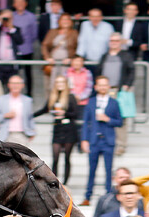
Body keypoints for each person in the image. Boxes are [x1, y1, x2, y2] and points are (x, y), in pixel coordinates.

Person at [80, 75, 122, 206]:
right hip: (94, 141)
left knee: (109, 169)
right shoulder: (91, 102)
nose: (103, 87)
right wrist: (84, 140)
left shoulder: (114, 103)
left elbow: (120, 122)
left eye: (105, 85)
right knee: (92, 169)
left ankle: (109, 195)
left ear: (109, 87)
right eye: (100, 85)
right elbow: (86, 122)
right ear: (96, 87)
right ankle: (88, 196)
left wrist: (107, 119)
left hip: (108, 141)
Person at [33, 75, 78, 185]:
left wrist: (64, 113)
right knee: (55, 157)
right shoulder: (53, 97)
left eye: (62, 82)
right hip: (57, 129)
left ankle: (65, 183)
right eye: (58, 82)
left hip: (69, 129)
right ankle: (54, 181)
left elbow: (75, 114)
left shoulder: (70, 97)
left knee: (67, 158)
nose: (60, 84)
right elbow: (44, 109)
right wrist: (30, 115)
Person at [97, 32, 134, 157]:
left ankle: (121, 145)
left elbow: (131, 71)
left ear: (120, 42)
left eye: (117, 41)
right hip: (105, 91)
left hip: (118, 91)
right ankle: (106, 143)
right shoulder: (104, 56)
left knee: (120, 119)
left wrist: (126, 85)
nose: (114, 42)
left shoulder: (125, 55)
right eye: (112, 40)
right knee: (104, 118)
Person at [0, 75, 35, 146]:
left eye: (18, 83)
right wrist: (5, 115)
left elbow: (30, 118)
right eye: (13, 83)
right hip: (6, 135)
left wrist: (32, 131)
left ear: (22, 85)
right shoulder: (1, 99)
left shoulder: (27, 100)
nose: (15, 86)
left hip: (22, 135)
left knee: (22, 156)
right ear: (8, 85)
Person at [41, 12, 77, 92]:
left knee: (65, 84)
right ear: (59, 21)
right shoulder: (52, 31)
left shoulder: (74, 33)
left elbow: (77, 48)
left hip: (66, 64)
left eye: (67, 19)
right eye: (63, 19)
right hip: (53, 63)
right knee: (52, 85)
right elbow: (44, 45)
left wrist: (71, 59)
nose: (65, 21)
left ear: (71, 22)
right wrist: (47, 57)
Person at [0, 9, 23, 84]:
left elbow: (20, 41)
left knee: (12, 85)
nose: (6, 20)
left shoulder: (15, 29)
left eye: (8, 18)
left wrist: (11, 27)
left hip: (12, 63)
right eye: (5, 18)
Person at [11, 0, 36, 94]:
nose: (20, 4)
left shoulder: (31, 16)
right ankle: (14, 93)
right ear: (14, 5)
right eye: (18, 2)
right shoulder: (11, 16)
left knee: (28, 73)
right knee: (14, 73)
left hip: (27, 49)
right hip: (13, 49)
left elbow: (34, 34)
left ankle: (29, 93)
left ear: (26, 4)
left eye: (22, 2)